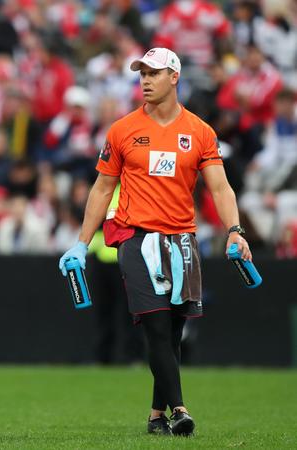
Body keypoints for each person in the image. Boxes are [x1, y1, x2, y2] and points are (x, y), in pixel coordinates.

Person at [59, 48, 252, 437]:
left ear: (175, 77)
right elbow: (101, 190)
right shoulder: (122, 129)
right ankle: (180, 410)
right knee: (157, 326)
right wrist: (81, 242)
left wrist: (235, 230)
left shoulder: (200, 131)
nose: (145, 80)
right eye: (141, 73)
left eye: (154, 73)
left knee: (173, 330)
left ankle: (154, 416)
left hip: (181, 240)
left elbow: (220, 186)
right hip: (134, 237)